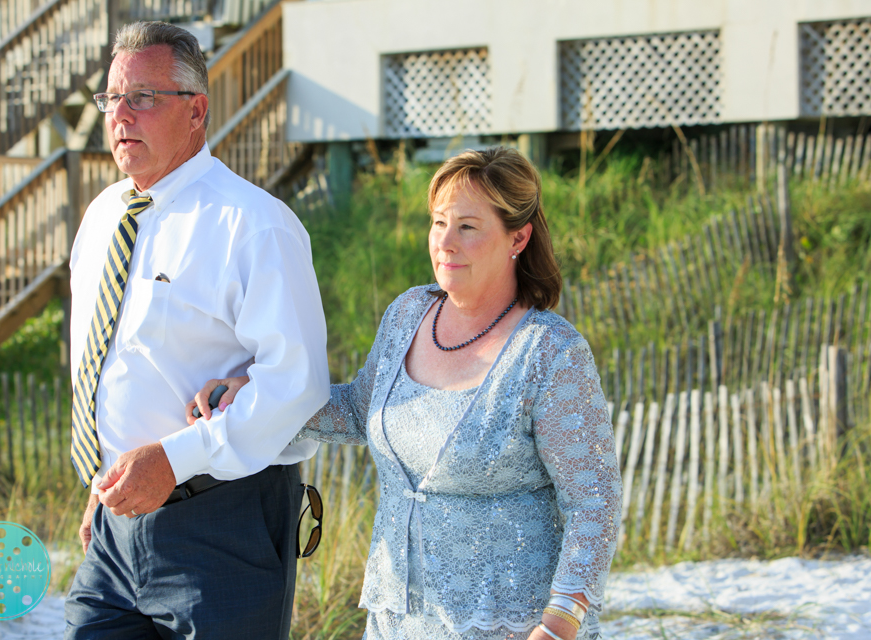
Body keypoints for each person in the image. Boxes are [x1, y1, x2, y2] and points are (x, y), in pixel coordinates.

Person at [190, 147, 622, 640]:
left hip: (511, 627)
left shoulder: (550, 352)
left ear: (517, 237)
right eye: (439, 223)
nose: (445, 243)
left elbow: (594, 500)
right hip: (398, 622)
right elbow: (357, 410)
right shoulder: (407, 315)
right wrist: (258, 395)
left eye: (468, 226)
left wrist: (560, 623)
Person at [63, 21, 329, 640]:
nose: (120, 114)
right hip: (114, 527)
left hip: (221, 524)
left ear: (196, 110)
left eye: (143, 97)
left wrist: (173, 461)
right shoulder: (103, 217)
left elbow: (298, 386)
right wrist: (111, 471)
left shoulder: (255, 224)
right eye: (111, 99)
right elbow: (104, 361)